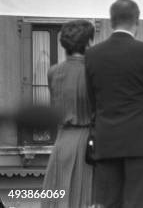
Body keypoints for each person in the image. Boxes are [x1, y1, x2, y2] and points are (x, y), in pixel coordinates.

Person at [85, 0, 143, 208]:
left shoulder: (93, 54)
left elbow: (92, 100)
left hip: (106, 140)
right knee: (137, 202)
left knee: (108, 203)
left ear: (111, 20)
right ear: (137, 21)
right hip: (140, 140)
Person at [41, 20, 95, 208]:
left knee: (59, 195)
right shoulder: (92, 72)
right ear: (88, 42)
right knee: (84, 197)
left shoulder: (53, 72)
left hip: (62, 141)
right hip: (87, 142)